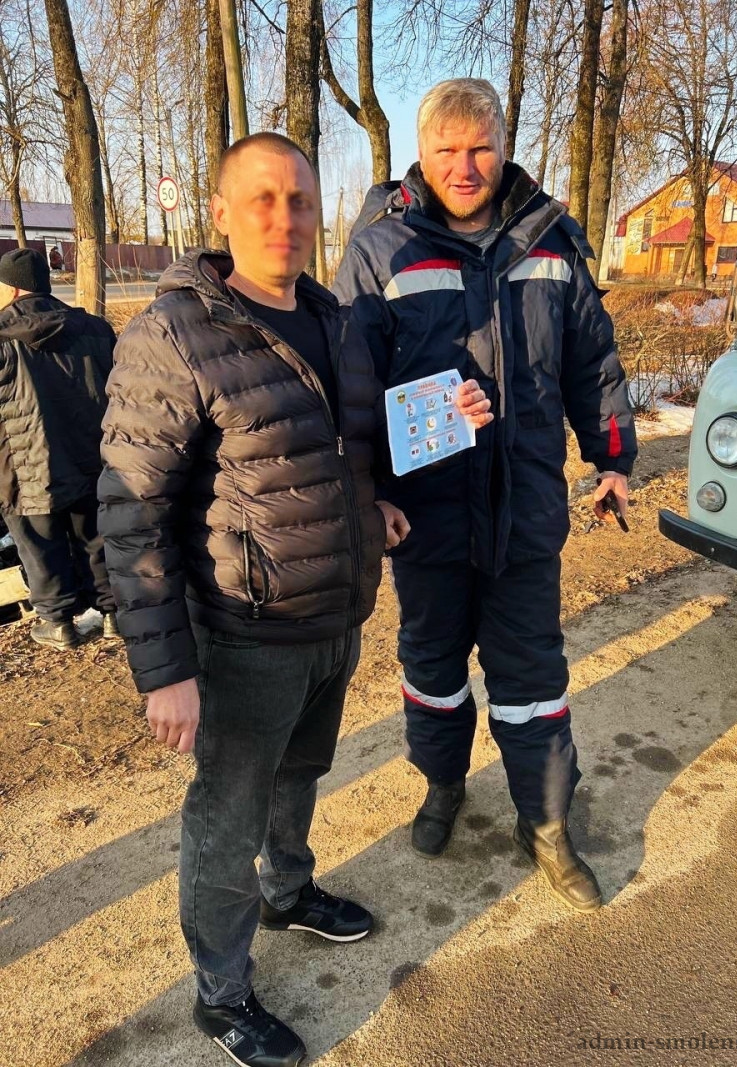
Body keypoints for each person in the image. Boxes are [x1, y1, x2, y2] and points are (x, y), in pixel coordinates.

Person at [98, 131, 489, 1067]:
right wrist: (165, 671)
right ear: (222, 213)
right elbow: (129, 512)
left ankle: (288, 890)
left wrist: (377, 501)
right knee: (226, 815)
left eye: (301, 200)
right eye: (263, 199)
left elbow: (342, 449)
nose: (285, 217)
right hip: (243, 634)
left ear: (321, 213)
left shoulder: (337, 321)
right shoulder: (174, 333)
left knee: (300, 774)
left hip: (334, 619)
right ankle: (222, 992)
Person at [334, 79, 637, 913]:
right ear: (422, 153)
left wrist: (613, 457)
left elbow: (593, 360)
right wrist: (368, 490)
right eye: (447, 150)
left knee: (532, 676)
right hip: (424, 515)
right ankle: (443, 785)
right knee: (433, 669)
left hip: (526, 508)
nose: (464, 166)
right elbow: (350, 384)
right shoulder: (382, 248)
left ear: (504, 147)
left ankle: (546, 822)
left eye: (480, 148)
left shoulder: (550, 238)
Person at [0, 247, 119, 650]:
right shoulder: (95, 328)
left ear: (12, 288)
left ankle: (59, 623)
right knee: (98, 535)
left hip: (24, 463)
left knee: (38, 543)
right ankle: (113, 614)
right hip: (93, 457)